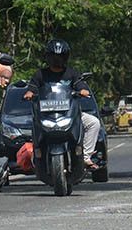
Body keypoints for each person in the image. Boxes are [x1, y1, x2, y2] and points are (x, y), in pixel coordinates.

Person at [23, 39, 102, 169]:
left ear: (65, 57)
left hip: (70, 114)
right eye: (53, 57)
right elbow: (32, 87)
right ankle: (38, 155)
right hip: (46, 116)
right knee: (33, 124)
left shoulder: (72, 73)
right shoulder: (40, 74)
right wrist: (29, 93)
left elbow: (79, 84)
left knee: (94, 122)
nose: (56, 60)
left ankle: (85, 157)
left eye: (59, 57)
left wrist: (82, 90)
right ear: (47, 57)